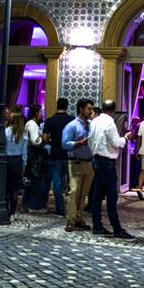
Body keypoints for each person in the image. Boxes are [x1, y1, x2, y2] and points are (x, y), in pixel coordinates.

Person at [88, 99, 134, 239]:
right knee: (111, 197)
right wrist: (125, 138)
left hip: (96, 159)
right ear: (114, 110)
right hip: (106, 162)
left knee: (96, 196)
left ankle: (97, 226)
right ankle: (117, 228)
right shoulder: (109, 123)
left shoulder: (95, 121)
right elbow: (115, 142)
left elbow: (90, 140)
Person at [62, 98, 95, 232]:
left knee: (84, 193)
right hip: (75, 162)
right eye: (89, 109)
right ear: (81, 109)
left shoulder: (92, 124)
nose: (91, 111)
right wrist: (80, 143)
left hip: (89, 163)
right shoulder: (72, 126)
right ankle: (70, 220)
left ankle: (79, 219)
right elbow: (64, 144)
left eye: (92, 109)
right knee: (74, 191)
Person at [43, 98, 74, 216]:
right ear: (67, 107)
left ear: (57, 106)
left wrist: (52, 139)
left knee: (56, 182)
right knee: (71, 182)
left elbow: (45, 138)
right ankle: (72, 208)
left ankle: (60, 208)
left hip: (55, 153)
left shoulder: (50, 120)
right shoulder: (71, 120)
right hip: (69, 153)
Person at [5, 112, 27, 222]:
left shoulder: (5, 132)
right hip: (18, 160)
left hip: (7, 160)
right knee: (14, 189)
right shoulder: (23, 134)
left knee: (6, 187)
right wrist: (24, 165)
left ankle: (4, 209)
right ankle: (12, 213)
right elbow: (24, 153)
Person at [24, 104, 46, 212]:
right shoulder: (32, 124)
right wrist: (44, 138)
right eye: (40, 112)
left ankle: (27, 204)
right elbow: (35, 141)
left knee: (30, 179)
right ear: (36, 113)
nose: (42, 114)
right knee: (35, 180)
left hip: (32, 155)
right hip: (35, 156)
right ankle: (33, 205)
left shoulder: (30, 123)